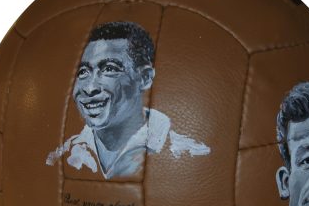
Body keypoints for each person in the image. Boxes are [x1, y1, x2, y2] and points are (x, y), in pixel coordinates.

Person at [46, 21, 210, 179]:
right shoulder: (60, 157)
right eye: (83, 72)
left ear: (145, 78)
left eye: (109, 69)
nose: (90, 88)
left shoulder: (191, 155)